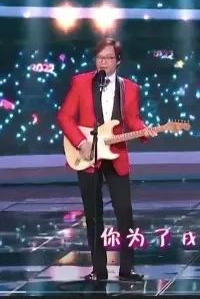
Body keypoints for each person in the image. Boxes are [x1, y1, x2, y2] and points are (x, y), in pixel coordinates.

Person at [56, 38, 157, 283]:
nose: (103, 62)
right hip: (87, 155)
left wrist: (145, 130)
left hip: (116, 155)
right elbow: (64, 117)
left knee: (125, 213)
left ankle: (127, 270)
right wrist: (81, 142)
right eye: (100, 58)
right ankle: (98, 270)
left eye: (108, 58)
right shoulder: (81, 83)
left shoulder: (129, 88)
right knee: (93, 215)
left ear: (118, 61)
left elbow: (132, 120)